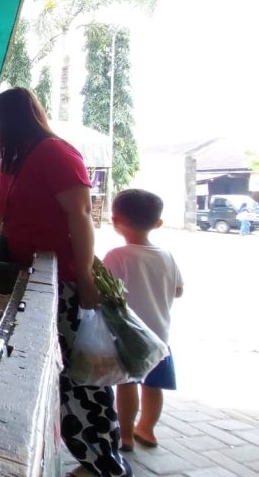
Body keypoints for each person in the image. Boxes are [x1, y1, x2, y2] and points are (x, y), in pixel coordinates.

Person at [0, 88, 132, 477]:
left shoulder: (55, 153)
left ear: (11, 120)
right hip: (23, 276)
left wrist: (85, 277)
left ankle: (104, 459)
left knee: (79, 374)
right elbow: (3, 204)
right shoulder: (13, 159)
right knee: (42, 369)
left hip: (62, 282)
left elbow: (81, 217)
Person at [103, 189, 184, 452]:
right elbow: (178, 291)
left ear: (115, 221)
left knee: (127, 383)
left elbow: (106, 292)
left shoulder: (117, 255)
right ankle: (147, 429)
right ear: (158, 223)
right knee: (153, 385)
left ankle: (126, 435)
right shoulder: (167, 255)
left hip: (129, 336)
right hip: (160, 336)